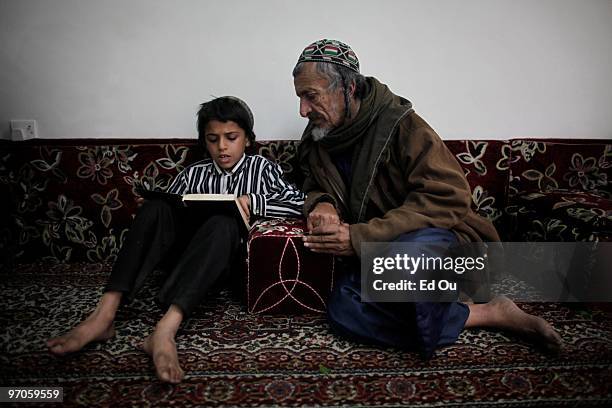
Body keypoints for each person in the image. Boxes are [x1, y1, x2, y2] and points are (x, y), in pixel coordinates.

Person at [293, 39, 562, 357]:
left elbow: (448, 198)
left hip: (443, 242)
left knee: (407, 263)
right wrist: (322, 202)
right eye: (299, 98)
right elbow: (308, 182)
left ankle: (437, 304)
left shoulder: (403, 126)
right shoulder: (317, 139)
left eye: (311, 97)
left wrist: (359, 236)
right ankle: (487, 313)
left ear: (348, 88)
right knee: (343, 310)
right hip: (378, 255)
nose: (302, 111)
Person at [46, 96, 305, 383]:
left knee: (223, 221)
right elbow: (170, 211)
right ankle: (104, 315)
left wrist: (253, 202)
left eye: (231, 137)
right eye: (213, 139)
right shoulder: (194, 173)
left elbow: (299, 203)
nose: (222, 147)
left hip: (222, 261)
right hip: (183, 255)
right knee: (156, 206)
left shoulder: (262, 169)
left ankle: (165, 330)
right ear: (204, 141)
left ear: (247, 139)